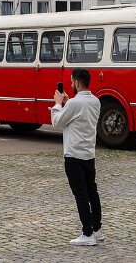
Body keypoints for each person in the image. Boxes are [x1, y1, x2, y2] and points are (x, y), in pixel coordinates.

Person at [51, 68, 103, 246]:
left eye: (72, 81)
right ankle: (97, 229)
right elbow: (77, 114)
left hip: (74, 155)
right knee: (92, 192)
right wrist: (67, 102)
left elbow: (57, 122)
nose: (71, 84)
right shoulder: (95, 101)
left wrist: (58, 104)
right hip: (89, 153)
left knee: (80, 194)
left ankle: (87, 233)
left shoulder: (74, 104)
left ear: (77, 82)